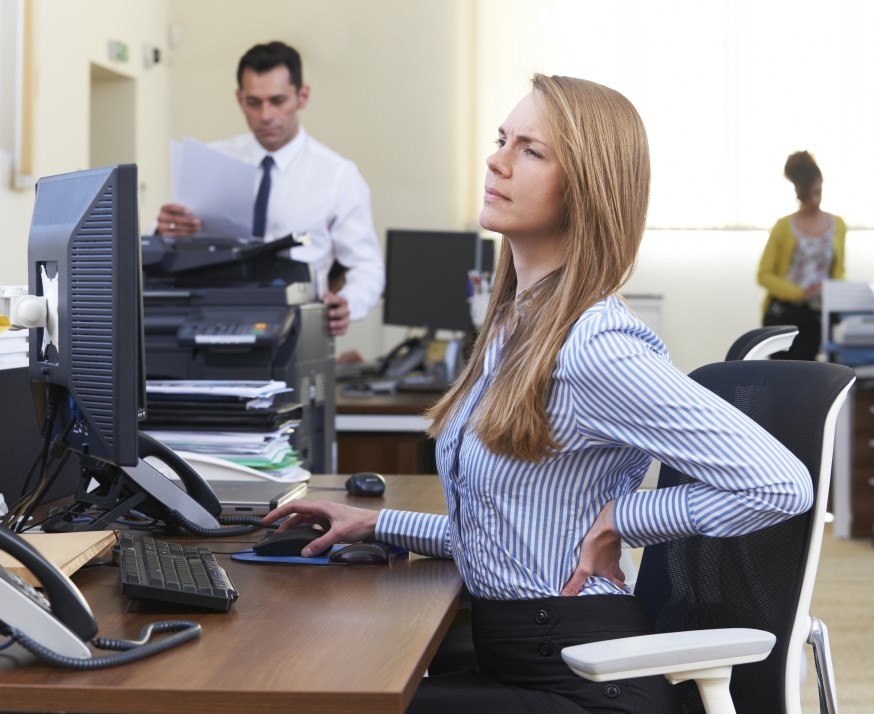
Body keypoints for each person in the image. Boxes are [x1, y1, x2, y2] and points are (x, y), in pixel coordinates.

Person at [264, 75, 813, 712]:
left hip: (586, 682)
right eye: (502, 139)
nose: (496, 160)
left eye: (531, 150)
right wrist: (381, 522)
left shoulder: (595, 347)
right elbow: (514, 540)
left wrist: (625, 520)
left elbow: (778, 483)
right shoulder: (514, 326)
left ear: (585, 187)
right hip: (525, 659)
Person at [154, 41, 385, 336]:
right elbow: (161, 241)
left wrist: (350, 303)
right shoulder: (210, 162)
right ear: (239, 99)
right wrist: (165, 230)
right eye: (254, 102)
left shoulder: (338, 175)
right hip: (212, 323)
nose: (265, 115)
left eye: (277, 101)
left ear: (302, 96)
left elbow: (367, 265)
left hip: (298, 331)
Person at [757, 151, 846, 360]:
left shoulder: (838, 225)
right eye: (809, 194)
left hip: (819, 316)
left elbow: (839, 272)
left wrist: (830, 290)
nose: (815, 200)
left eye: (818, 192)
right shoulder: (783, 227)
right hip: (784, 314)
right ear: (798, 192)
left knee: (812, 379)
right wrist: (801, 293)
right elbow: (764, 274)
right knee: (782, 378)